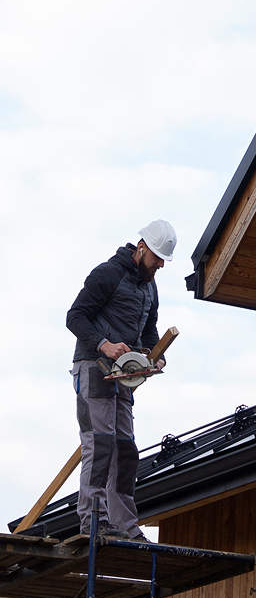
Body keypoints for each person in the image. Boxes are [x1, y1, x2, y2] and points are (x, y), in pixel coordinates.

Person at [65, 220, 176, 539]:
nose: (160, 265)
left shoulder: (149, 287)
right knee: (100, 443)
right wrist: (105, 344)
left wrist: (153, 353)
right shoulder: (107, 274)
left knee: (126, 449)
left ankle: (125, 524)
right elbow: (75, 317)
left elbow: (150, 330)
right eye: (156, 257)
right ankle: (94, 519)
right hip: (94, 367)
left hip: (124, 377)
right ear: (141, 249)